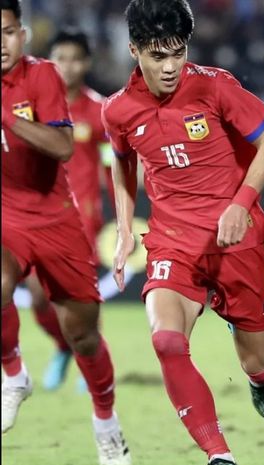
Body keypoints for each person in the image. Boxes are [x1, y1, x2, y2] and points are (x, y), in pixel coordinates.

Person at [103, 1, 264, 464]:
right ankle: (218, 454)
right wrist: (125, 230)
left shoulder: (215, 86)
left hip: (235, 240)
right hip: (172, 242)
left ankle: (263, 376)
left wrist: (241, 205)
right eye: (157, 56)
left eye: (177, 54)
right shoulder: (119, 110)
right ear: (134, 50)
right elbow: (123, 163)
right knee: (165, 340)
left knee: (257, 363)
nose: (169, 67)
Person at [1, 1, 131, 464]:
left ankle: (105, 422)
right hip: (6, 218)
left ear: (24, 35)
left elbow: (63, 146)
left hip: (63, 220)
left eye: (9, 31)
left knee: (86, 336)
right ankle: (14, 372)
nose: (1, 42)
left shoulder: (47, 82)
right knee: (19, 292)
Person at [22, 29, 115, 392]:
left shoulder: (97, 111)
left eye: (76, 59)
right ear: (49, 61)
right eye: (60, 58)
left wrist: (119, 209)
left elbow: (111, 164)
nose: (68, 66)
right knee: (38, 295)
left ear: (87, 63)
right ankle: (63, 347)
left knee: (80, 297)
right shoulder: (32, 106)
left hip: (81, 218)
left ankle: (91, 361)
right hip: (36, 213)